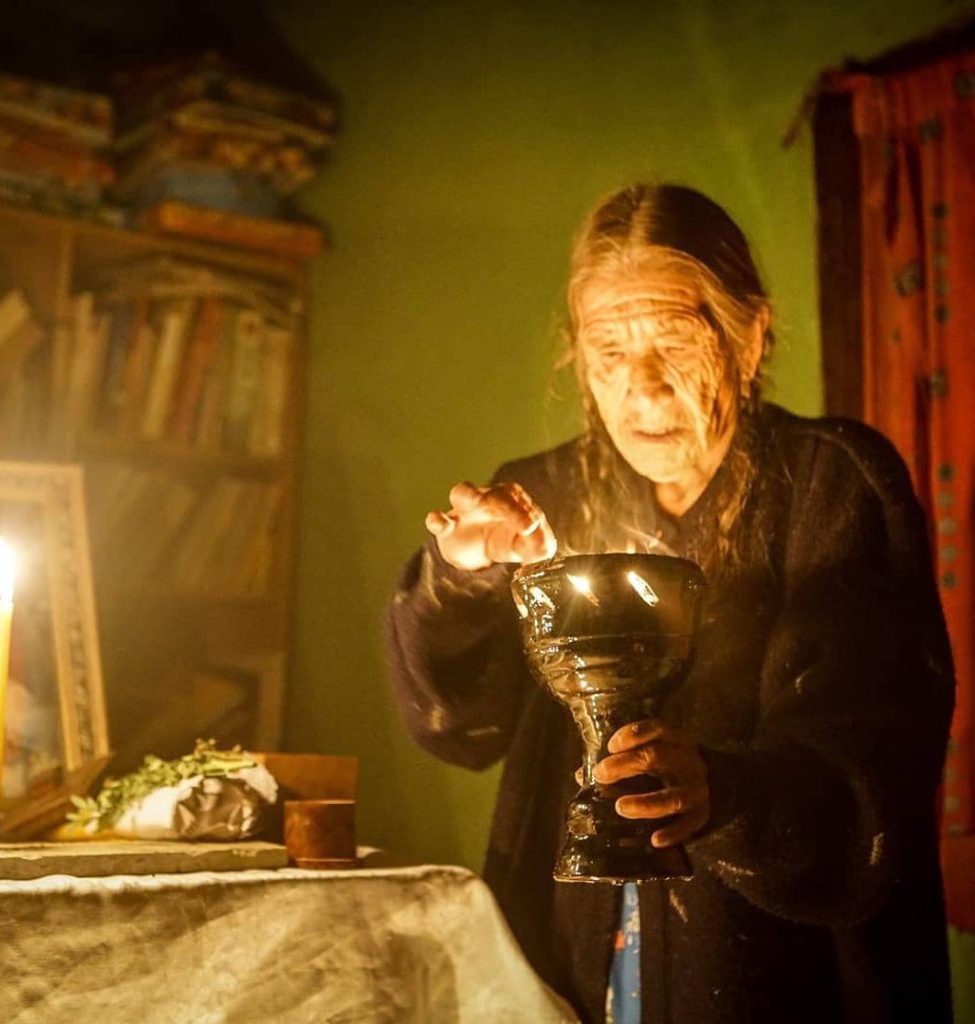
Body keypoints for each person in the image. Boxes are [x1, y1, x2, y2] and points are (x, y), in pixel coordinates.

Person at [384, 184, 955, 1023]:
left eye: (675, 342)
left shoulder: (833, 486)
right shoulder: (542, 497)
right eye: (608, 353)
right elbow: (455, 727)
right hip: (572, 961)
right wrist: (459, 576)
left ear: (750, 335)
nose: (642, 392)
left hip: (781, 979)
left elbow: (868, 776)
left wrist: (721, 793)